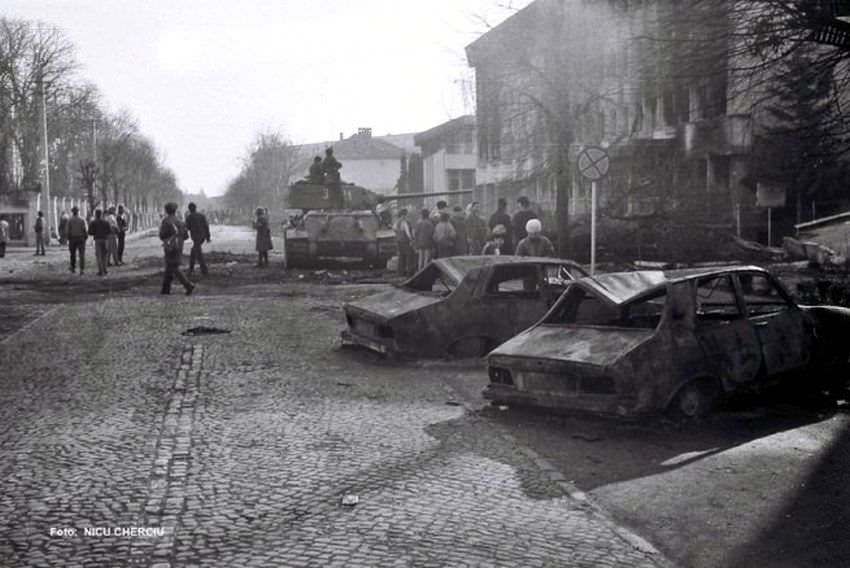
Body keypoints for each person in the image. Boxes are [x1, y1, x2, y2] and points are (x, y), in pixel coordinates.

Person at [159, 202, 194, 295]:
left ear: (166, 210)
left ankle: (188, 285)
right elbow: (186, 236)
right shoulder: (180, 221)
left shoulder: (166, 221)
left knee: (173, 266)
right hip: (179, 246)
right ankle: (165, 289)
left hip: (170, 246)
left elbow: (162, 235)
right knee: (170, 266)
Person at [185, 202, 211, 275]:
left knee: (198, 254)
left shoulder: (189, 217)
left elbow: (187, 228)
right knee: (193, 252)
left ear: (189, 209)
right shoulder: (202, 216)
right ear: (196, 208)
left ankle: (204, 271)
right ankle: (191, 269)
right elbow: (206, 226)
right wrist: (208, 237)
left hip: (196, 237)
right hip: (202, 237)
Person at [87, 209, 112, 276]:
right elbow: (109, 231)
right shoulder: (106, 222)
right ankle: (105, 270)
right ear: (101, 214)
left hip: (97, 240)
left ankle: (100, 271)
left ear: (95, 214)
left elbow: (90, 232)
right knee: (105, 255)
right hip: (105, 239)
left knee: (99, 256)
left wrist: (95, 232)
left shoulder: (93, 222)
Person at [393, 208, 415, 276]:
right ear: (404, 215)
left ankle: (400, 272)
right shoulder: (404, 222)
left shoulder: (396, 222)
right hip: (405, 242)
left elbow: (394, 229)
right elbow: (407, 232)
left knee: (401, 257)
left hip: (399, 241)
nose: (407, 216)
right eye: (406, 214)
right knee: (409, 256)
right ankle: (409, 272)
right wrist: (411, 239)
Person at [66, 206, 87, 273]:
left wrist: (68, 238)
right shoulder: (82, 219)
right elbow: (85, 229)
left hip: (72, 238)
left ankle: (73, 267)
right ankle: (82, 269)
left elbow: (68, 230)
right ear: (78, 211)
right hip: (81, 238)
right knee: (81, 254)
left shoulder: (70, 220)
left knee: (72, 254)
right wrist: (85, 237)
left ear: (72, 212)